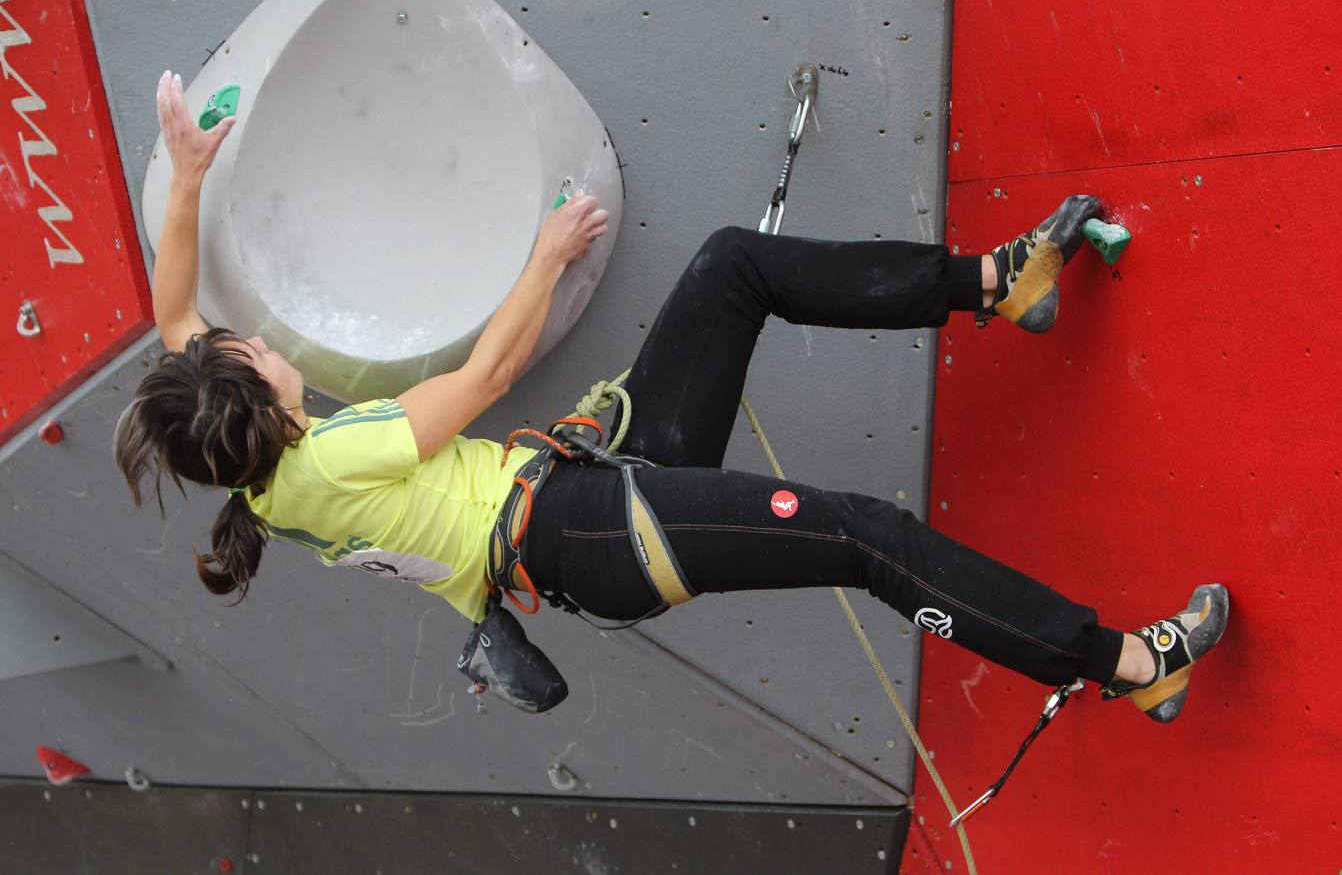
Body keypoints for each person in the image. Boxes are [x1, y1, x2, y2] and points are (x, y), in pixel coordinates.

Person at [117, 70, 1228, 725]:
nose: (252, 339)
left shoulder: (260, 465)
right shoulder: (325, 460)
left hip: (590, 482)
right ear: (259, 405)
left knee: (731, 265)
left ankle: (997, 283)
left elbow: (177, 323)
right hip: (589, 534)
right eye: (249, 350)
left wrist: (190, 176)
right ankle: (1123, 664)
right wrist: (545, 258)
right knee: (864, 536)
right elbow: (487, 378)